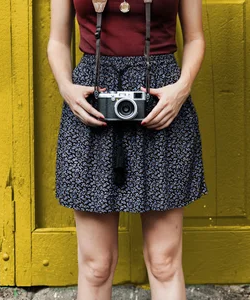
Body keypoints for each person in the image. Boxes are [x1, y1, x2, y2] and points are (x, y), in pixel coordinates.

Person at [46, 0, 207, 298]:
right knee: (96, 266)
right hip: (91, 105)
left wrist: (181, 90)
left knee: (164, 262)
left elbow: (196, 38)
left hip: (162, 105)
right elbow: (57, 40)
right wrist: (67, 89)